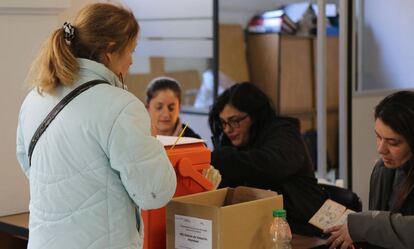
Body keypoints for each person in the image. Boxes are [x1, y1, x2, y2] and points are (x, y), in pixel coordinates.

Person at [16, 3, 176, 249]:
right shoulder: (122, 106)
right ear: (110, 50)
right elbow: (154, 193)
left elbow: (28, 164)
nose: (132, 61)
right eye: (131, 51)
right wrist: (152, 142)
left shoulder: (35, 97)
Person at [208, 82, 328, 236]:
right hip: (259, 226)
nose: (228, 129)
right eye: (223, 123)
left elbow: (272, 165)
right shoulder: (231, 142)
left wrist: (222, 157)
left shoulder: (284, 132)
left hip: (302, 225)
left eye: (235, 121)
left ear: (254, 116)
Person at [325, 91, 414, 249]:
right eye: (378, 137)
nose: (381, 149)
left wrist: (366, 226)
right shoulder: (382, 170)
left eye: (393, 143)